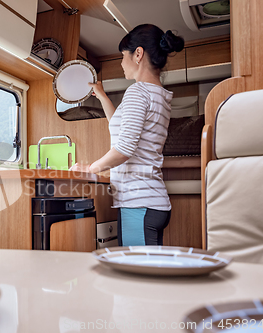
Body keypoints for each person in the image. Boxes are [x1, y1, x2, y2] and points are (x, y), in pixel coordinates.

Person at [70, 24, 184, 246]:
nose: (122, 63)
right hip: (152, 203)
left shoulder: (138, 92)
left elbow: (124, 149)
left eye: (123, 56)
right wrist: (102, 96)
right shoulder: (159, 95)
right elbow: (123, 130)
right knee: (147, 274)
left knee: (139, 276)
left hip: (138, 203)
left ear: (138, 54)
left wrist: (90, 169)